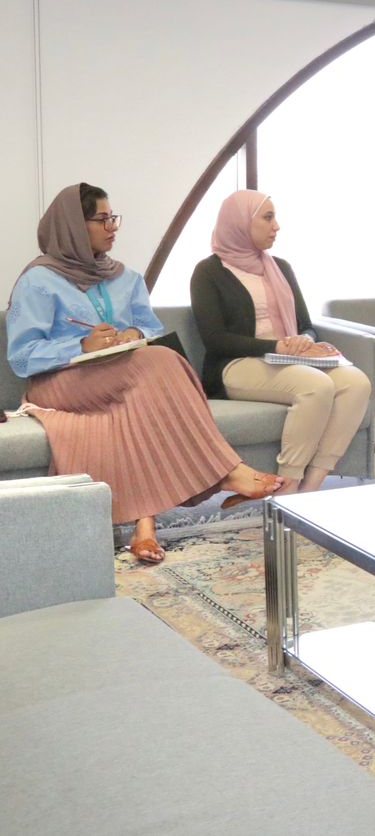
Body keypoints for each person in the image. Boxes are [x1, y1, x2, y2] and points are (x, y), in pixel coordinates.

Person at [6, 184, 282, 564]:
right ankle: (226, 470)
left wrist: (134, 335)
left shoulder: (126, 277)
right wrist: (80, 346)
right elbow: (22, 358)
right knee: (161, 364)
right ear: (72, 226)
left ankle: (145, 527)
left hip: (120, 377)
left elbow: (148, 327)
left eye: (112, 217)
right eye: (101, 219)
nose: (112, 227)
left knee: (135, 399)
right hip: (61, 384)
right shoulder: (38, 281)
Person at [190, 190, 373, 494]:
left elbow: (305, 325)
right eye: (268, 217)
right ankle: (287, 488)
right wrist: (275, 347)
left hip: (289, 359)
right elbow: (215, 339)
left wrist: (305, 341)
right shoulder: (208, 272)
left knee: (356, 382)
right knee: (316, 385)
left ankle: (310, 489)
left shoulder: (281, 267)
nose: (277, 226)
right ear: (240, 222)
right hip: (236, 364)